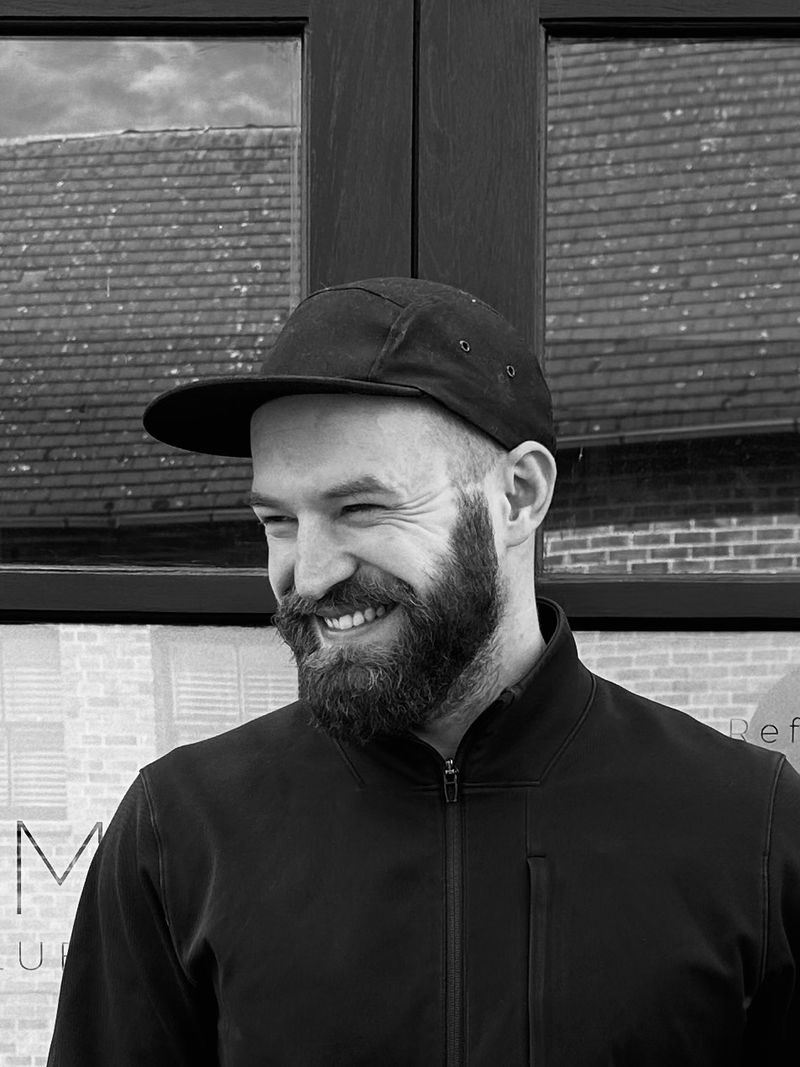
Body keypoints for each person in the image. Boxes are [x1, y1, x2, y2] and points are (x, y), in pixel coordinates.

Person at [48, 278, 800, 1066]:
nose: (307, 574)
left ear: (518, 495)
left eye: (361, 509)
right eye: (276, 520)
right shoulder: (179, 834)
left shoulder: (751, 831)